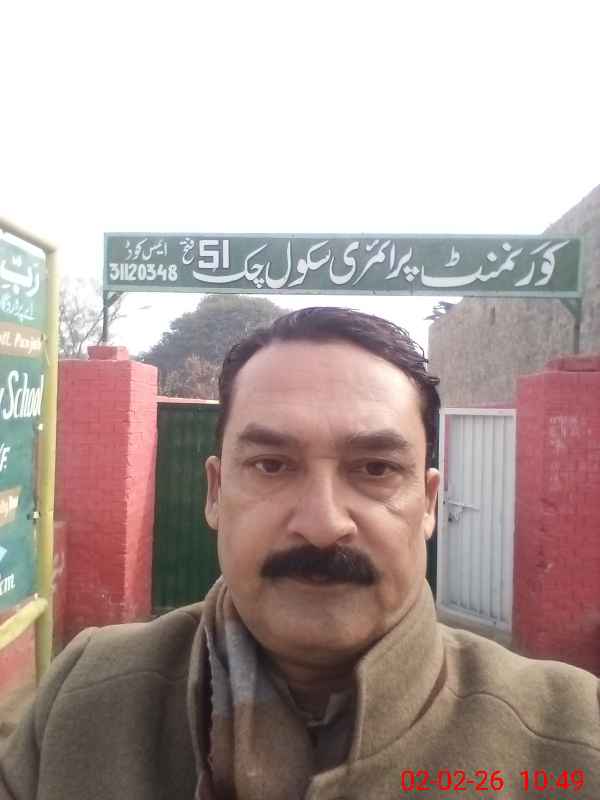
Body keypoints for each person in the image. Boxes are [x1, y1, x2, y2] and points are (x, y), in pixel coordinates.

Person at [1, 307, 599, 800]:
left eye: (375, 469)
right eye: (271, 465)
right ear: (215, 493)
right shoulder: (81, 703)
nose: (322, 525)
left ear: (428, 504)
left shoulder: (570, 735)